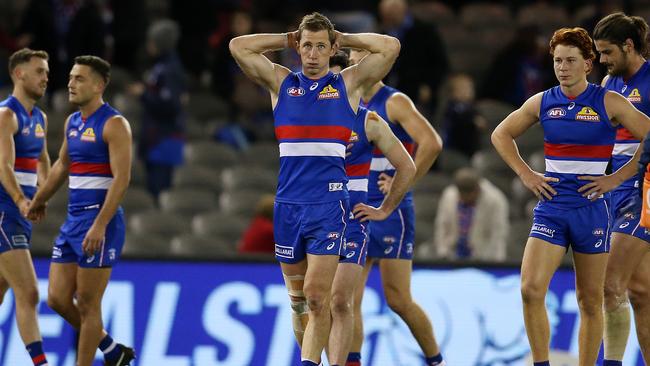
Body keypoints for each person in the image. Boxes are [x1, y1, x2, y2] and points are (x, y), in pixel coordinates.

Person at [229, 12, 400, 366]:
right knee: (298, 303)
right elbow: (238, 46)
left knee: (318, 297)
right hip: (289, 205)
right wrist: (287, 37)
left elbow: (390, 47)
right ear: (298, 48)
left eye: (321, 47)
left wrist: (342, 38)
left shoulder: (347, 85)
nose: (312, 54)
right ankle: (313, 359)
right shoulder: (281, 83)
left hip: (329, 205)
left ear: (330, 49)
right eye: (307, 46)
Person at [491, 27, 650, 366]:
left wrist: (617, 177)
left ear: (588, 64)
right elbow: (501, 134)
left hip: (592, 208)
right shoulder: (543, 101)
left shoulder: (608, 101)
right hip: (551, 206)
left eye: (570, 61)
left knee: (590, 300)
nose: (562, 67)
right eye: (557, 61)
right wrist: (526, 174)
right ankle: (541, 363)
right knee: (530, 289)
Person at [27, 56, 135, 366]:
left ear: (100, 85)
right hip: (74, 220)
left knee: (88, 305)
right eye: (71, 78)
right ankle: (111, 349)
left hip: (101, 220)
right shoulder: (73, 122)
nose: (71, 83)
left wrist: (100, 224)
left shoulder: (114, 124)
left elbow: (122, 178)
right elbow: (62, 164)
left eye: (80, 79)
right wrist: (39, 199)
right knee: (57, 299)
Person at [347, 49, 444, 366]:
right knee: (348, 299)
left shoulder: (394, 102)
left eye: (365, 57)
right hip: (358, 204)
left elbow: (431, 142)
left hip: (391, 208)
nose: (358, 63)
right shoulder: (343, 99)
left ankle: (437, 360)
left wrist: (405, 184)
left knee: (398, 299)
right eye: (354, 58)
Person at [326, 50, 416, 365]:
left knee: (344, 300)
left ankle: (436, 360)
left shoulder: (371, 119)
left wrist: (385, 207)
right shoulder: (307, 116)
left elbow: (413, 160)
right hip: (313, 217)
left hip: (352, 218)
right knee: (313, 302)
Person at [593, 12, 650, 365]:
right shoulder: (610, 84)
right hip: (619, 190)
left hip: (644, 188)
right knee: (641, 293)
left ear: (629, 46)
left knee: (610, 284)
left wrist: (622, 176)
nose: (602, 60)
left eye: (607, 52)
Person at [0, 48, 50, 366]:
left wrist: (42, 195)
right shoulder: (7, 115)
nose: (46, 77)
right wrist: (21, 200)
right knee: (29, 292)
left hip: (20, 215)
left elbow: (43, 161)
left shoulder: (40, 118)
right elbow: (2, 164)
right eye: (39, 71)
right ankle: (41, 363)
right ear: (19, 74)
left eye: (46, 72)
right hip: (5, 210)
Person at [129, 19, 188, 201]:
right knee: (153, 189)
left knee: (158, 191)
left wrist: (143, 94)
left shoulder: (169, 69)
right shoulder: (161, 66)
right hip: (157, 139)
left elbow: (170, 105)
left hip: (163, 140)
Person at [434, 167, 508, 261]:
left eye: (468, 196)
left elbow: (497, 235)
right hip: (452, 256)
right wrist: (443, 253)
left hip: (485, 257)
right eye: (461, 195)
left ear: (477, 189)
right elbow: (442, 227)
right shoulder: (449, 195)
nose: (465, 199)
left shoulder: (496, 200)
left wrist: (486, 262)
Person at [441, 73, 487, 159]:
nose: (467, 91)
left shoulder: (472, 107)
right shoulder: (453, 107)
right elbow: (458, 118)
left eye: (470, 88)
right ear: (453, 92)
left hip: (469, 149)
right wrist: (472, 121)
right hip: (453, 149)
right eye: (462, 88)